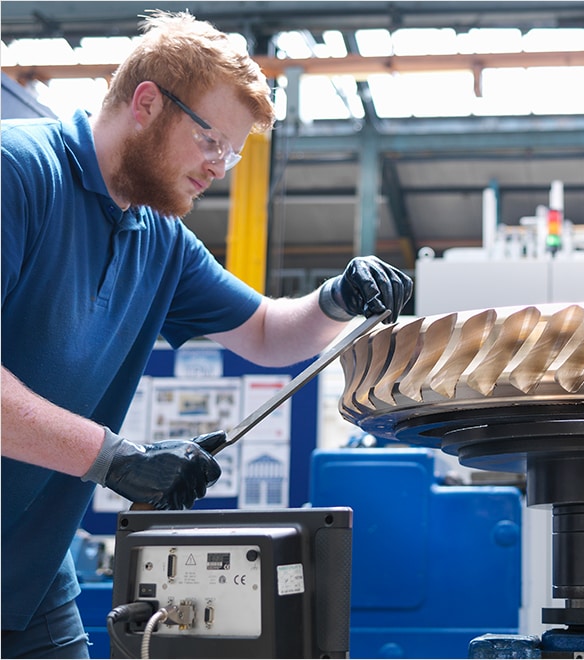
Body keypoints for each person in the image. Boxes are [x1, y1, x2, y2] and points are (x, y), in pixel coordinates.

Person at [0, 11, 412, 658]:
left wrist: (339, 298)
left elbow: (268, 334)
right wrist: (118, 460)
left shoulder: (159, 239)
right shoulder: (18, 173)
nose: (220, 167)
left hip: (29, 571)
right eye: (211, 140)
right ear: (146, 104)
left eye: (233, 151)